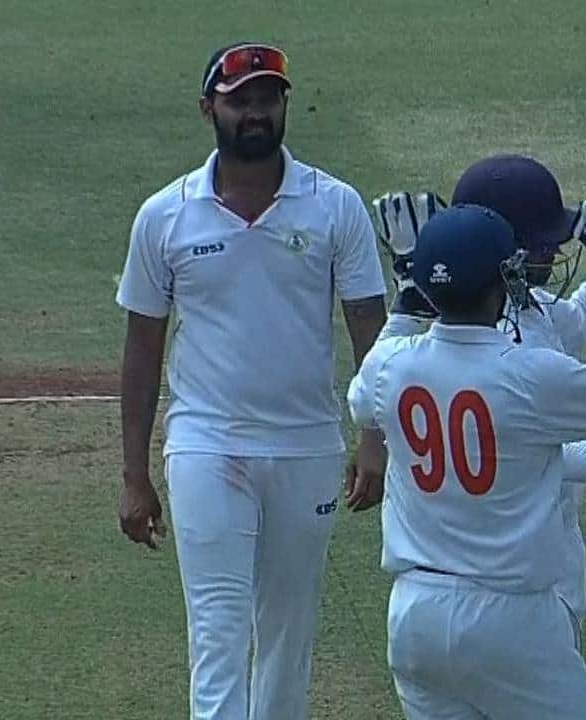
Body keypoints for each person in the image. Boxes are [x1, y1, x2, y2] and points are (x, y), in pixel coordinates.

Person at [114, 41, 388, 720]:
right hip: (207, 445)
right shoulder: (164, 216)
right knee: (218, 634)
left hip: (308, 447)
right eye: (241, 101)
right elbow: (142, 349)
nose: (256, 113)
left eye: (268, 99)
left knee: (288, 642)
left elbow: (370, 334)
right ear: (210, 108)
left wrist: (375, 439)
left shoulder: (336, 206)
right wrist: (133, 472)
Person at [347, 201, 586, 719]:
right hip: (511, 617)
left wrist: (408, 299)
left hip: (414, 614)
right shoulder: (530, 374)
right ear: (505, 276)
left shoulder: (391, 366)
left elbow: (358, 398)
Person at [371, 154, 586, 633]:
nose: (556, 251)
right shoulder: (515, 351)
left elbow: (583, 322)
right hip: (521, 571)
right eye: (545, 242)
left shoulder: (522, 309)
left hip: (468, 577)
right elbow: (570, 448)